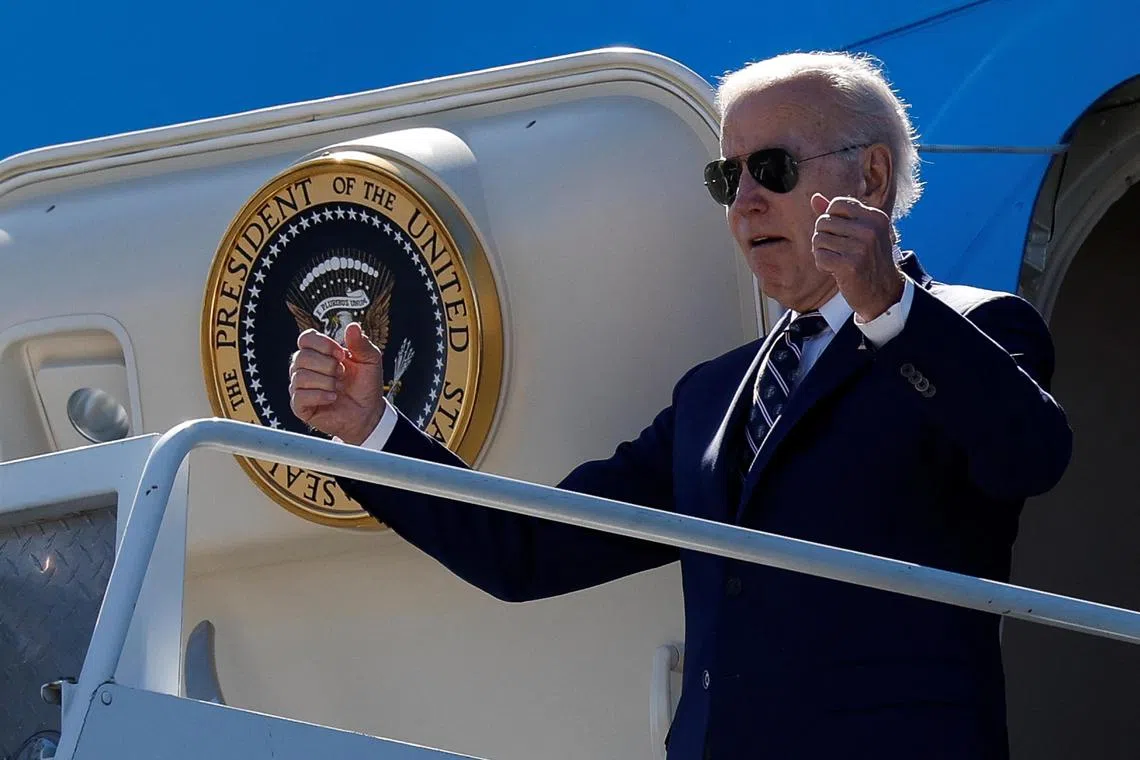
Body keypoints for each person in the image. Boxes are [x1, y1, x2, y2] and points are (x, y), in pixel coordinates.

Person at [287, 52, 1071, 759]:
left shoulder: (970, 328)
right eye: (728, 179)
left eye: (773, 169)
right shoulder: (714, 394)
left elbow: (1028, 455)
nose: (746, 202)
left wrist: (891, 306)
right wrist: (371, 429)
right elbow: (525, 552)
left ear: (869, 178)